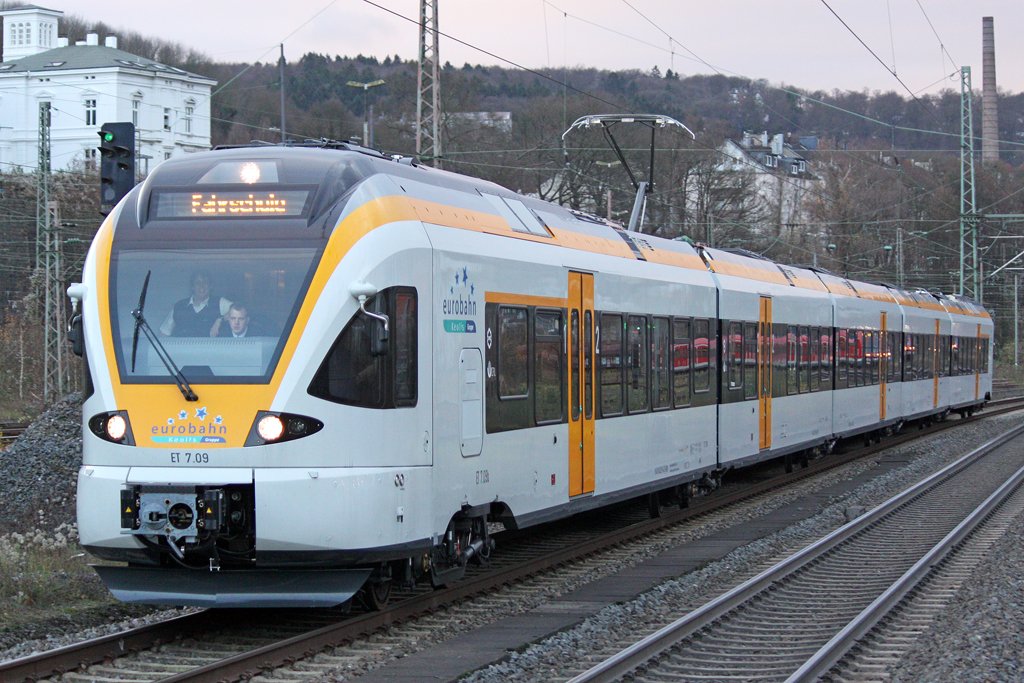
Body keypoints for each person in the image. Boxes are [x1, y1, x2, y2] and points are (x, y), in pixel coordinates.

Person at [159, 271, 232, 336]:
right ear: (192, 287)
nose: (201, 286)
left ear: (210, 286)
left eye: (205, 282)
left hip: (211, 347)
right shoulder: (179, 306)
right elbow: (164, 333)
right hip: (183, 347)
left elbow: (237, 309)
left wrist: (219, 320)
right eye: (198, 283)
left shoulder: (219, 303)